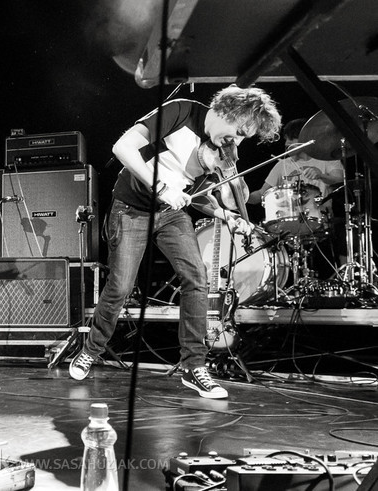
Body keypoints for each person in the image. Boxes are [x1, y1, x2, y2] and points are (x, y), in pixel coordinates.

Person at [69, 85, 282, 399]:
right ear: (227, 111)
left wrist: (227, 214)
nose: (235, 144)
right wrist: (160, 186)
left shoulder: (215, 148)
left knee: (196, 276)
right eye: (237, 132)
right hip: (131, 209)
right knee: (121, 286)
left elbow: (194, 199)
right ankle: (91, 348)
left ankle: (194, 367)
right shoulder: (181, 111)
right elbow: (123, 147)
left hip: (170, 213)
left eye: (241, 139)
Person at [247, 118, 346, 267]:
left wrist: (321, 175)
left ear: (305, 139)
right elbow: (261, 193)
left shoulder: (325, 159)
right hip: (287, 227)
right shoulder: (282, 165)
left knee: (343, 231)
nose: (286, 144)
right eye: (286, 139)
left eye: (291, 139)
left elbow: (340, 178)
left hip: (321, 222)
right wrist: (241, 196)